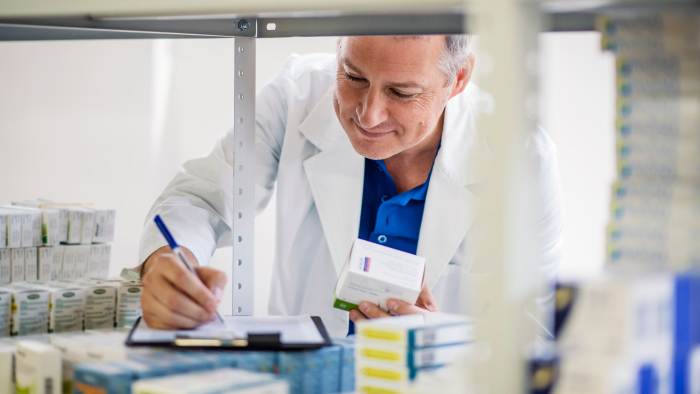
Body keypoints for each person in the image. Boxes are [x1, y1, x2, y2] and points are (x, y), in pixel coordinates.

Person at [137, 35, 564, 338]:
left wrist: (440, 338)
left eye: (401, 92)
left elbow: (536, 326)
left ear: (458, 80)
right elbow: (201, 197)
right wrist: (166, 262)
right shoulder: (297, 94)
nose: (368, 114)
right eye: (353, 77)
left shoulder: (520, 156)